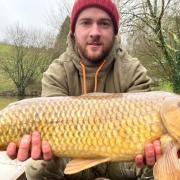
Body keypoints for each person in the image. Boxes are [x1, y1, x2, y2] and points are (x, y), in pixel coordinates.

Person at [6, 0, 162, 179]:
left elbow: (145, 133)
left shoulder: (133, 71)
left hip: (122, 163)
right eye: (86, 22)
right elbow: (49, 131)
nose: (95, 32)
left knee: (159, 158)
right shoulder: (57, 73)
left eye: (104, 23)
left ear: (115, 31)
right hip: (71, 161)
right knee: (37, 166)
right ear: (74, 30)